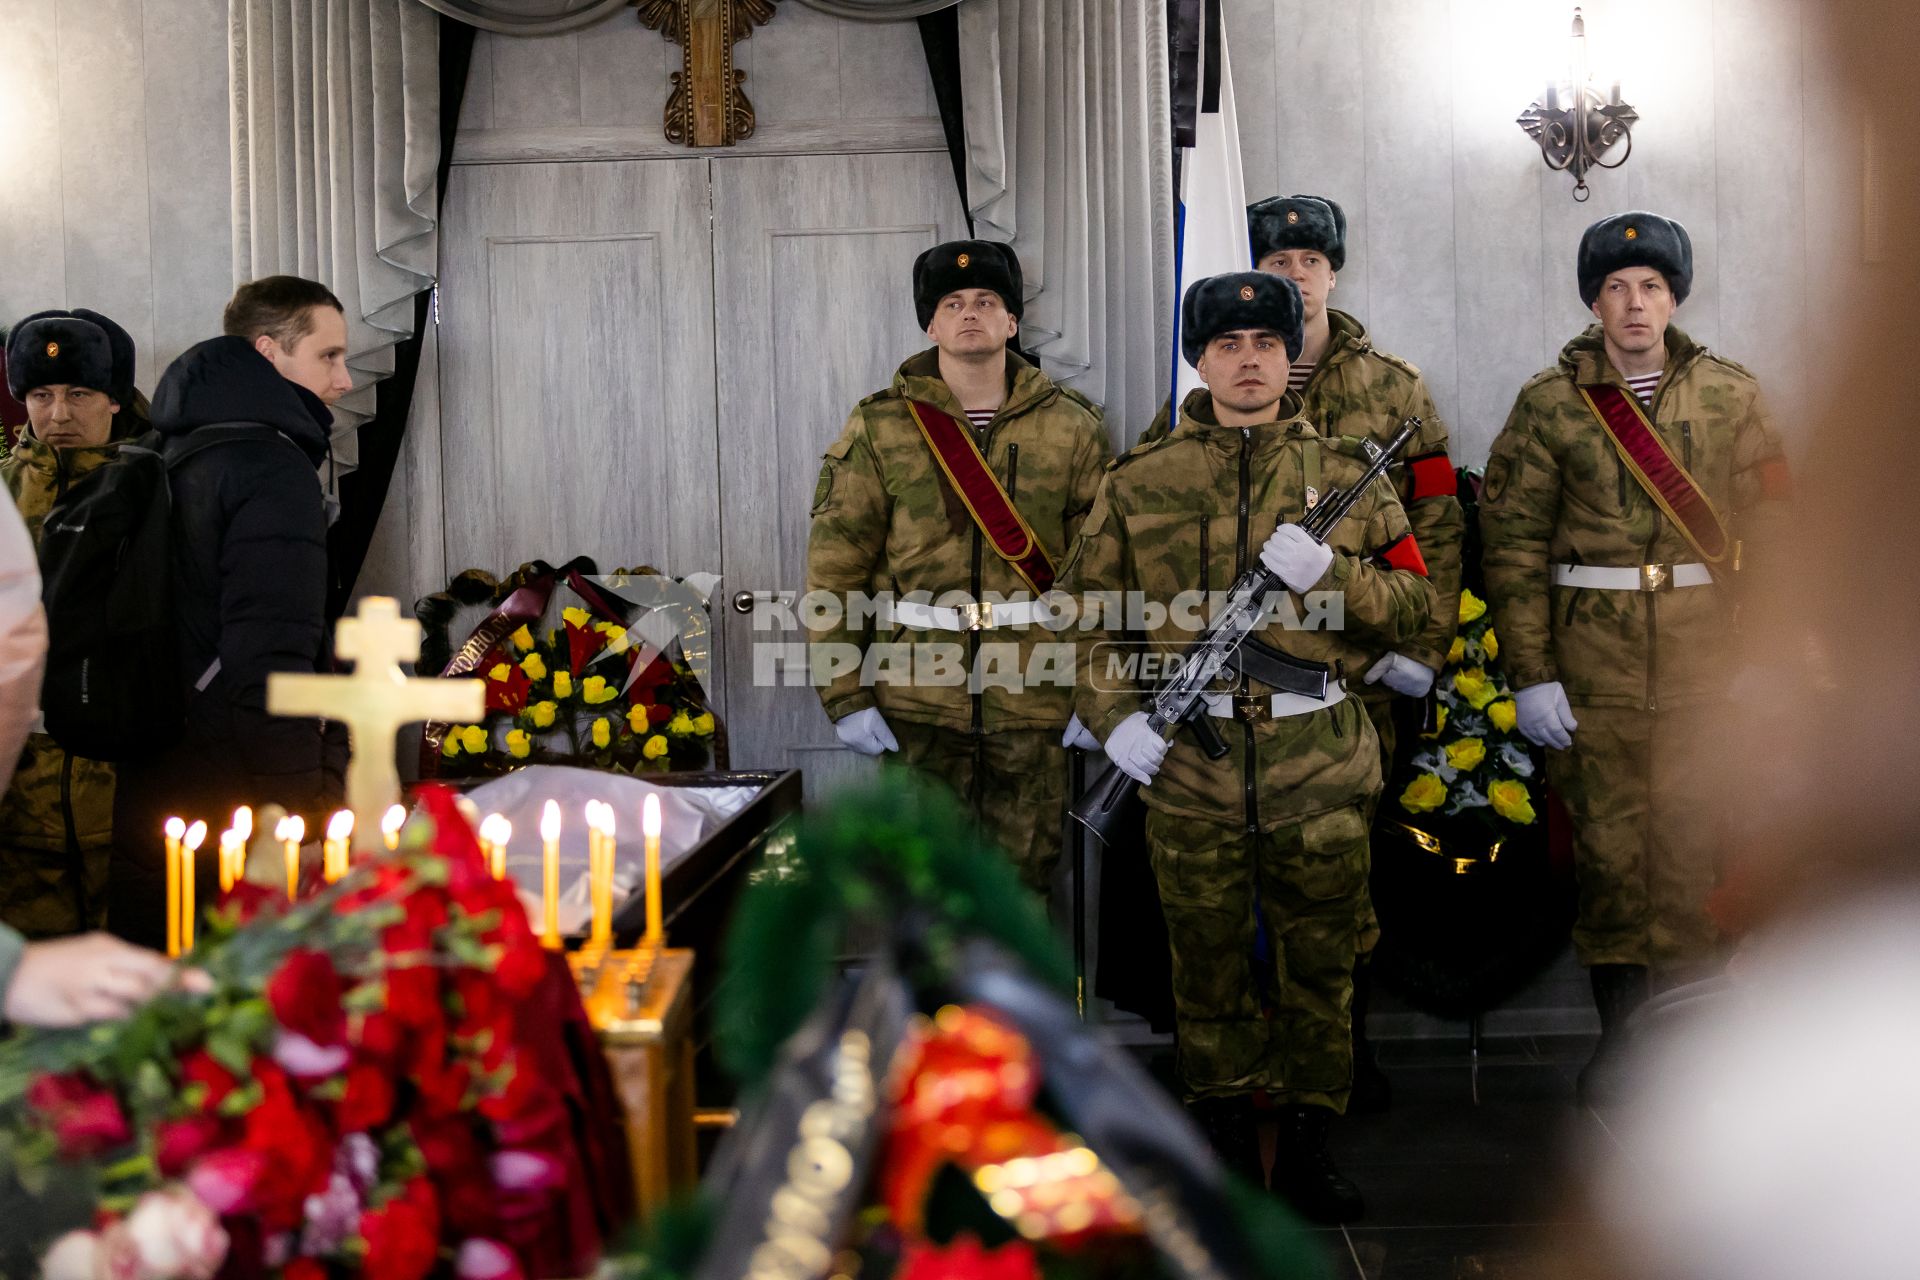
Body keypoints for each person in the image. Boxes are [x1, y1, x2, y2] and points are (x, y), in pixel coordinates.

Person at [1066, 271, 1433, 1222]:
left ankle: (1310, 1153)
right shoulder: (1138, 482)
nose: (1247, 360)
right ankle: (1226, 1153)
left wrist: (1338, 574)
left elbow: (1414, 608)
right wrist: (1122, 721)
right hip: (1192, 769)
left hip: (1321, 766)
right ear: (1199, 358)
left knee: (1323, 969)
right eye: (1226, 344)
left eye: (1265, 343)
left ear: (1289, 355)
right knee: (1207, 968)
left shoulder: (1354, 474)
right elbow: (1087, 627)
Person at [1478, 212, 1790, 1102]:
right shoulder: (1549, 404)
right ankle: (1621, 1046)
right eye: (1616, 288)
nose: (1634, 303)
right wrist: (1532, 675)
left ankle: (1687, 1058)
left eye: (1651, 286)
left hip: (1706, 672)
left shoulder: (1733, 396)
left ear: (1675, 297)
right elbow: (1513, 547)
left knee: (1695, 859)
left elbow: (1776, 536)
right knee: (1612, 866)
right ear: (1593, 302)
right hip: (1592, 671)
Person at [804, 241, 1112, 895]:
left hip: (1035, 699)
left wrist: (1103, 692)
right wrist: (844, 693)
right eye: (953, 303)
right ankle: (927, 1004)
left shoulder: (1074, 427)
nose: (970, 313)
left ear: (1011, 323)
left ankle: (1003, 1003)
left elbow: (1105, 573)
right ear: (931, 325)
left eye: (987, 302)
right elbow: (836, 567)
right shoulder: (881, 427)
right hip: (915, 701)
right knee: (919, 890)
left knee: (1022, 888)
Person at [108, 276, 351, 948]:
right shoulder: (268, 467)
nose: (345, 379)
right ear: (269, 352)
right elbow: (270, 663)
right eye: (328, 356)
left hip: (158, 777)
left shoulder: (176, 445)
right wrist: (300, 817)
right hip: (236, 793)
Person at [0, 494, 199, 1027]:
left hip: (105, 782)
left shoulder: (138, 484)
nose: (59, 409)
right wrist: (13, 972)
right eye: (41, 399)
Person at [0, 311, 146, 939]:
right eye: (41, 395)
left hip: (127, 793)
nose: (58, 414)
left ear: (113, 399)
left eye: (78, 393)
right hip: (18, 803)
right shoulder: (4, 496)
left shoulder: (151, 487)